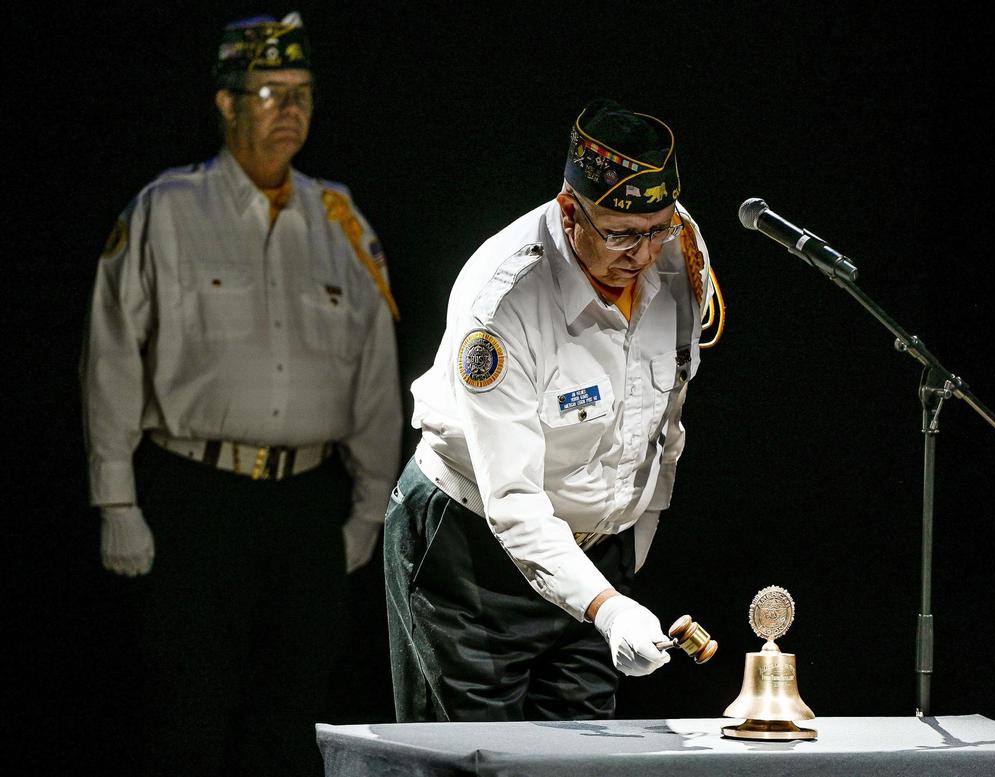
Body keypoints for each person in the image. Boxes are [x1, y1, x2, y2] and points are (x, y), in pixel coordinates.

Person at [80, 12, 401, 776]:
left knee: (292, 729)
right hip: (197, 499)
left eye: (302, 92)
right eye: (269, 90)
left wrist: (369, 503)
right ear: (226, 103)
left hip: (305, 505)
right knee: (186, 721)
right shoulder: (167, 208)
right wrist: (115, 500)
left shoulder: (340, 217)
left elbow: (376, 371)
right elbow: (112, 354)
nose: (291, 108)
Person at [384, 98, 714, 721]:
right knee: (469, 762)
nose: (642, 255)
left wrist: (627, 553)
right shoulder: (505, 301)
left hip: (594, 557)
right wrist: (607, 607)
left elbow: (664, 419)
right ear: (570, 211)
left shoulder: (676, 252)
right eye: (619, 233)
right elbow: (512, 501)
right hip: (471, 554)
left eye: (657, 227)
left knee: (582, 763)